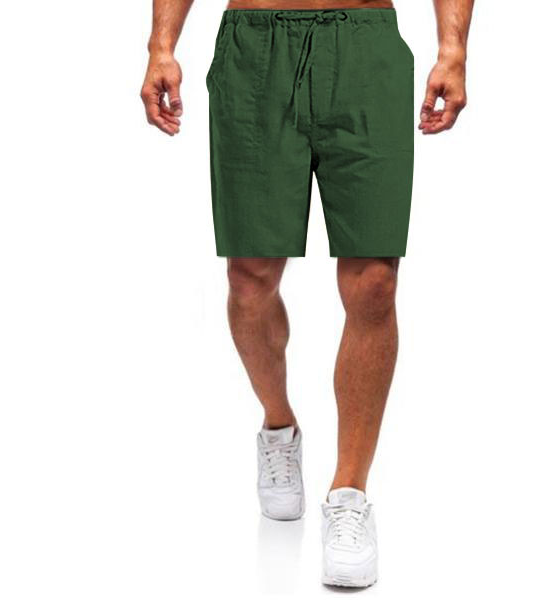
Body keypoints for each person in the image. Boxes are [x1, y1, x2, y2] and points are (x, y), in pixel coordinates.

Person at [141, 0, 474, 588]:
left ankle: (349, 493)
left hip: (366, 42)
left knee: (375, 280)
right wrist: (161, 45)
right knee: (250, 277)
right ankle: (279, 428)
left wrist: (453, 49)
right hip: (255, 45)